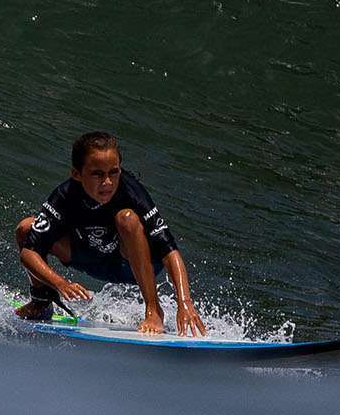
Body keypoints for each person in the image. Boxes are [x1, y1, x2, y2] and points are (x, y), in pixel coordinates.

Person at [15, 132, 204, 335]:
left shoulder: (130, 191)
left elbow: (170, 251)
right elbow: (28, 252)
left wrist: (185, 303)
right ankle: (41, 301)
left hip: (132, 264)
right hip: (89, 257)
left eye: (114, 172)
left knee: (127, 218)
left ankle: (154, 310)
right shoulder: (65, 195)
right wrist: (60, 283)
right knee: (26, 227)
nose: (108, 182)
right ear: (77, 174)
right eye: (97, 174)